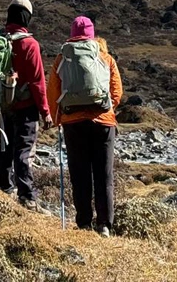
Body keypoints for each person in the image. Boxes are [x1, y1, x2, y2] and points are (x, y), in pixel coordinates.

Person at [47, 16, 122, 236]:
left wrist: (57, 117)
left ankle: (83, 223)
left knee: (79, 174)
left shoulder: (62, 58)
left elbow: (52, 91)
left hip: (73, 123)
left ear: (72, 34)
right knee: (104, 175)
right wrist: (104, 108)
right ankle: (105, 224)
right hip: (103, 123)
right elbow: (117, 92)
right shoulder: (105, 57)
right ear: (91, 34)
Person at [0, 0, 53, 211]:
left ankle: (2, 189)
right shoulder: (29, 44)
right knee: (24, 149)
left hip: (3, 105)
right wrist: (45, 111)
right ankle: (27, 197)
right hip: (25, 106)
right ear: (26, 17)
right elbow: (37, 81)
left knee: (4, 147)